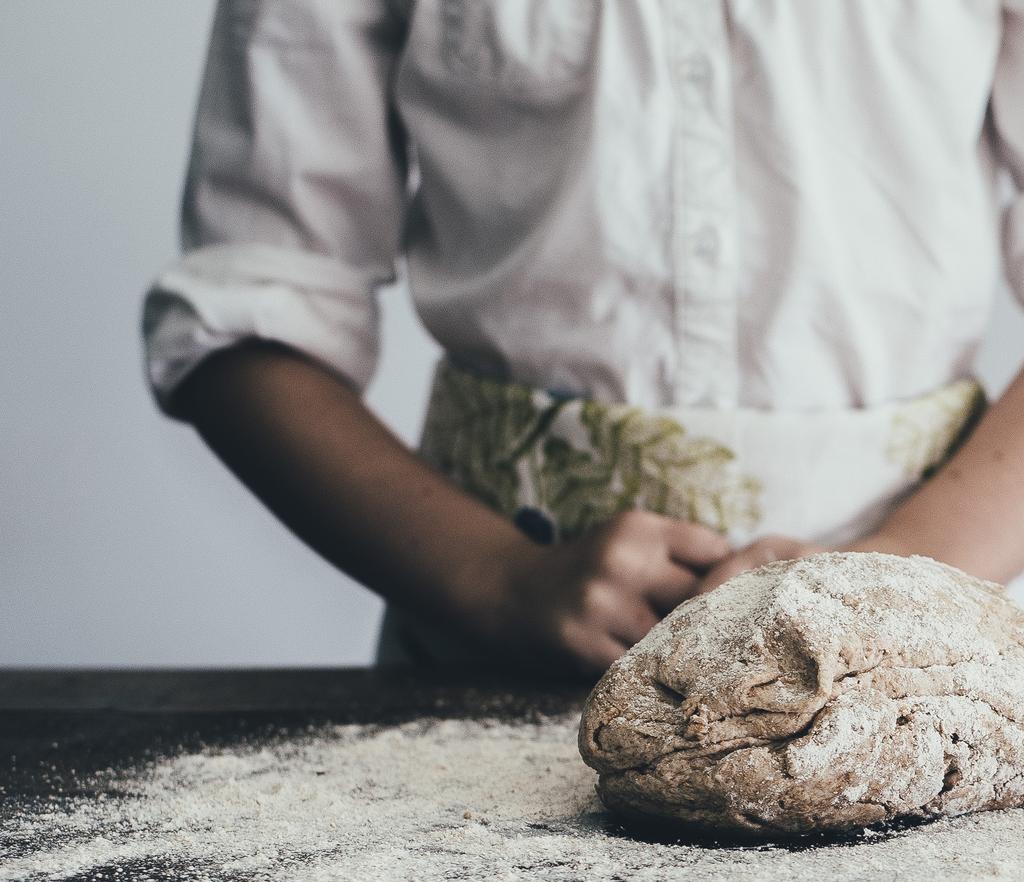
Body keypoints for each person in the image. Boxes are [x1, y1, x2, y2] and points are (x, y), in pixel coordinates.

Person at [142, 1, 1024, 676]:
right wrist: (493, 581)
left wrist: (907, 572)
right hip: (487, 655)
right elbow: (249, 311)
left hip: (918, 656)